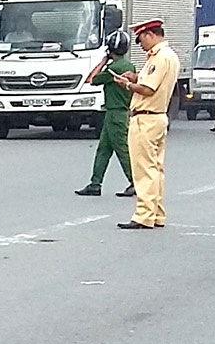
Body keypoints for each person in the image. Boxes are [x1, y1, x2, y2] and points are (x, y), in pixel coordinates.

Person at [114, 19, 178, 231]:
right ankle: (156, 213)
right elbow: (151, 83)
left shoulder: (159, 58)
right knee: (156, 169)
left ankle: (144, 215)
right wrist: (136, 77)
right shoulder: (169, 56)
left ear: (150, 34)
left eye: (141, 39)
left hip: (146, 118)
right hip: (158, 116)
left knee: (143, 170)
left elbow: (148, 89)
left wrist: (127, 84)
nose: (140, 45)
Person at [76, 29, 135, 198]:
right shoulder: (128, 66)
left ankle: (135, 182)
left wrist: (103, 61)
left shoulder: (112, 69)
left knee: (122, 150)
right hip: (118, 112)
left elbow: (91, 79)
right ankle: (95, 183)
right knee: (104, 149)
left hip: (115, 113)